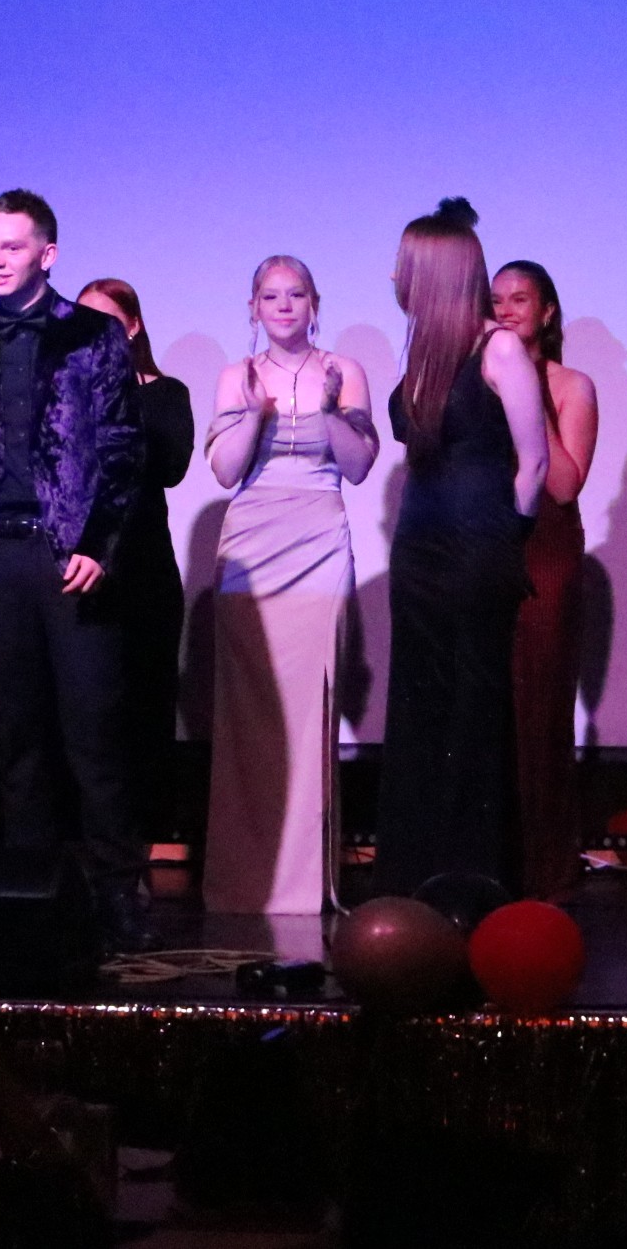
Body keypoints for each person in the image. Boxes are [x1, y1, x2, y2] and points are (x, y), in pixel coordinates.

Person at [0, 191, 153, 951]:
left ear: (47, 255)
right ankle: (31, 896)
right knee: (17, 741)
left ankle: (118, 899)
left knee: (93, 736)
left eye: (10, 247)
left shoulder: (93, 335)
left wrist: (98, 543)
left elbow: (122, 448)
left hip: (68, 557)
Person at [374, 200, 548, 897]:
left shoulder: (498, 350)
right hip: (419, 549)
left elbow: (533, 462)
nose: (394, 275)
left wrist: (506, 541)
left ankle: (473, 881)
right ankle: (414, 877)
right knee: (420, 707)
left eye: (404, 264)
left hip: (476, 548)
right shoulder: (425, 349)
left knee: (473, 712)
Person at [201, 257, 378, 915]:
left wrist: (330, 408)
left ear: (313, 303)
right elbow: (225, 472)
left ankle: (305, 887)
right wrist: (253, 415)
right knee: (248, 712)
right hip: (253, 546)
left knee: (312, 710)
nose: (283, 305)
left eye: (295, 294)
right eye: (270, 296)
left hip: (318, 540)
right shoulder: (236, 375)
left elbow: (358, 467)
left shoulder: (344, 370)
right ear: (253, 307)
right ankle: (245, 882)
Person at [491, 261, 598, 900]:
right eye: (497, 300)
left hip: (547, 550)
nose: (506, 311)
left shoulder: (572, 384)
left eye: (520, 299)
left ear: (548, 311)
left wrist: (527, 391)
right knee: (490, 708)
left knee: (540, 705)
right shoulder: (479, 379)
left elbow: (563, 483)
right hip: (489, 548)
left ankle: (544, 867)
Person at [76, 279, 194, 842]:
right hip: (82, 568)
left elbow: (170, 467)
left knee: (147, 705)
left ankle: (144, 841)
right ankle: (90, 841)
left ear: (132, 326)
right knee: (90, 709)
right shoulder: (63, 394)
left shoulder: (165, 393)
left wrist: (117, 392)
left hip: (144, 568)